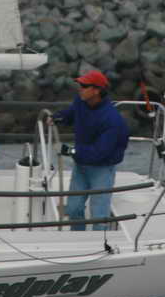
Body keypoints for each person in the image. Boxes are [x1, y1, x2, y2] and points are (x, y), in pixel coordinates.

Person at [54, 70, 129, 231]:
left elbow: (100, 153)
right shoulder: (81, 102)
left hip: (102, 169)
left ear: (96, 90)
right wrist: (58, 117)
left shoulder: (112, 119)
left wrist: (71, 151)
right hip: (81, 166)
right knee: (73, 209)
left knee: (99, 215)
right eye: (80, 85)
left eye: (84, 86)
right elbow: (72, 113)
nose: (80, 88)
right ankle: (78, 239)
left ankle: (100, 242)